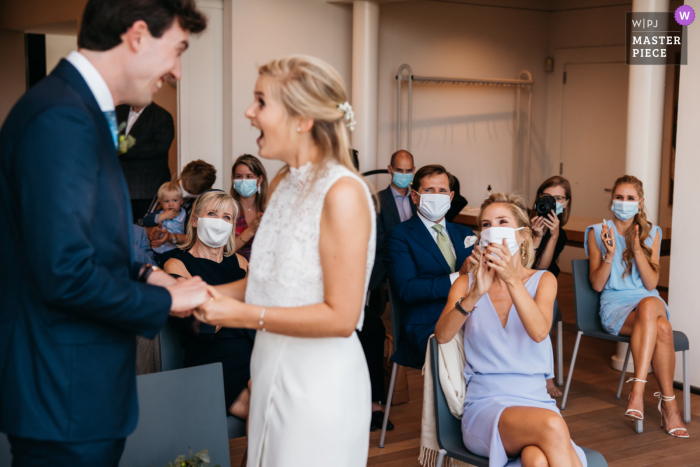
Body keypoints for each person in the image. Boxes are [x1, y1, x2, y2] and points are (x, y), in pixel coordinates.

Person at [0, 1, 209, 465]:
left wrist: (145, 275)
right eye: (176, 50)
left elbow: (77, 241)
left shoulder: (78, 111)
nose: (175, 71)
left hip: (78, 393)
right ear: (137, 36)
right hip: (64, 393)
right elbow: (63, 273)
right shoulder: (60, 117)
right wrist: (166, 301)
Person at [195, 55, 375, 467]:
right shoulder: (283, 183)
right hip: (270, 363)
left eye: (260, 101)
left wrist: (240, 314)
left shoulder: (343, 193)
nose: (249, 112)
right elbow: (268, 280)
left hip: (318, 382)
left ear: (302, 118)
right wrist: (197, 294)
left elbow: (342, 316)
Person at [434, 193, 586, 467]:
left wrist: (512, 280)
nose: (492, 230)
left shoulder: (544, 280)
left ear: (523, 234)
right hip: (487, 405)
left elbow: (539, 331)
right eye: (486, 224)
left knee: (536, 460)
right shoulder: (465, 284)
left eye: (502, 222)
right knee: (552, 426)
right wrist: (474, 295)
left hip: (536, 401)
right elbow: (442, 335)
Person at [586, 175, 687, 438]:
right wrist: (609, 254)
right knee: (662, 328)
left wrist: (637, 249)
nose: (624, 202)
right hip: (616, 307)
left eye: (630, 198)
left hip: (647, 300)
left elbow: (652, 281)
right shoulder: (597, 232)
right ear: (612, 201)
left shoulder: (652, 233)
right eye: (619, 197)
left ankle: (638, 391)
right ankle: (669, 406)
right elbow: (597, 285)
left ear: (640, 203)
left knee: (649, 303)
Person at [164, 191, 254, 419]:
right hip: (211, 359)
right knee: (266, 413)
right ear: (195, 220)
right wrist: (243, 300)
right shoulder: (176, 263)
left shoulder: (241, 263)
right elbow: (200, 320)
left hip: (252, 349)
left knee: (282, 407)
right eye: (212, 213)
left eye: (227, 217)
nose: (218, 222)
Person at [384, 164, 475, 369]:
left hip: (472, 317)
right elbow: (407, 289)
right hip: (428, 322)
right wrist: (459, 276)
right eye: (429, 190)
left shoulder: (465, 233)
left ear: (451, 197)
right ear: (415, 196)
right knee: (474, 347)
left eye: (442, 191)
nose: (436, 195)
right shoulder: (400, 236)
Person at [361, 149, 416, 430]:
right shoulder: (377, 201)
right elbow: (376, 239)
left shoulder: (420, 200)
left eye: (409, 171)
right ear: (390, 169)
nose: (404, 175)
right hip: (383, 269)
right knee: (374, 328)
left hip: (413, 270)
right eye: (400, 170)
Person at [531, 175, 572, 397]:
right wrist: (534, 235)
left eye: (558, 198)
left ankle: (546, 376)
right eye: (548, 197)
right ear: (538, 198)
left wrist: (553, 236)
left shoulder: (560, 233)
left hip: (543, 284)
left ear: (565, 203)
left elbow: (542, 269)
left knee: (544, 313)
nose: (552, 202)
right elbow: (526, 265)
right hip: (519, 282)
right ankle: (544, 376)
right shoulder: (522, 222)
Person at [116, 101, 174, 223]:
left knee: (144, 228)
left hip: (147, 187)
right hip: (118, 184)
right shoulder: (118, 111)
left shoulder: (162, 116)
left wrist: (124, 150)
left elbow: (160, 147)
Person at [145, 159, 216, 250]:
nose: (182, 190)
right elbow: (145, 224)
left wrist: (172, 237)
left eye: (188, 190)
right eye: (183, 184)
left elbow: (198, 238)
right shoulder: (168, 191)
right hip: (158, 247)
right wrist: (157, 229)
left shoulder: (206, 202)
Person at [230, 154, 268, 261]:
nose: (243, 181)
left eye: (249, 176)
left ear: (260, 180)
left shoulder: (270, 210)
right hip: (236, 270)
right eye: (238, 176)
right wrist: (251, 230)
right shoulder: (227, 210)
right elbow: (225, 251)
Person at [151, 180, 187, 266]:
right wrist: (162, 216)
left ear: (181, 201)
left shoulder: (185, 216)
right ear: (160, 202)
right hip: (158, 249)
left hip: (175, 250)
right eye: (166, 201)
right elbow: (146, 221)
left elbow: (188, 236)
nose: (171, 204)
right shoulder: (160, 213)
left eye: (175, 200)